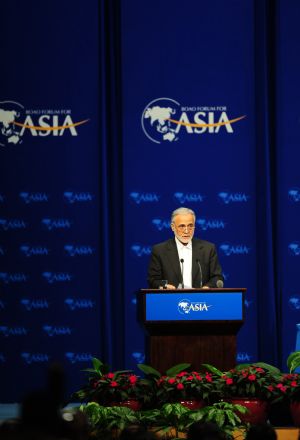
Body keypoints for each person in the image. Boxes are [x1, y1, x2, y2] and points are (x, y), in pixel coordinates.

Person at [147, 207, 223, 289]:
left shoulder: (208, 249)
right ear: (173, 227)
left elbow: (217, 278)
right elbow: (153, 280)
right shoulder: (159, 250)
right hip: (171, 299)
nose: (186, 231)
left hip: (201, 299)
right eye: (182, 226)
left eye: (190, 226)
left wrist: (206, 289)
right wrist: (164, 286)